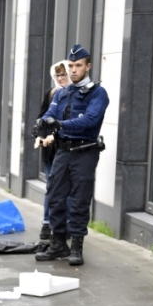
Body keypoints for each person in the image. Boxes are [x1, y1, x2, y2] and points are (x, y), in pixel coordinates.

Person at [34, 44, 109, 266]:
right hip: (62, 151)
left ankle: (76, 246)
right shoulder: (62, 92)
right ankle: (58, 244)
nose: (73, 70)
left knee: (79, 200)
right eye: (71, 66)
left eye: (78, 65)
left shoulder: (98, 93)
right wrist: (41, 124)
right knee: (55, 197)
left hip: (85, 151)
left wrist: (59, 123)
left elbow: (90, 120)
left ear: (88, 66)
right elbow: (49, 113)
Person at [34, 61, 70, 242]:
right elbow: (41, 117)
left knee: (69, 190)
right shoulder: (51, 94)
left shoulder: (76, 96)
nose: (61, 78)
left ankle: (67, 225)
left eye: (64, 74)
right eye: (58, 75)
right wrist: (40, 135)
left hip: (69, 149)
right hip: (51, 151)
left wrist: (54, 135)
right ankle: (47, 224)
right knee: (51, 188)